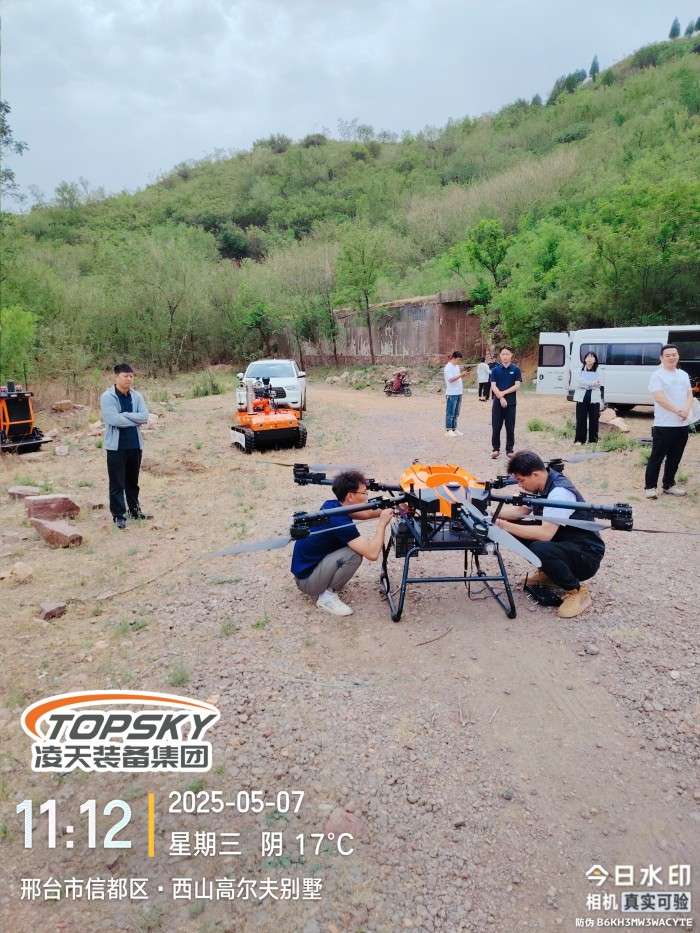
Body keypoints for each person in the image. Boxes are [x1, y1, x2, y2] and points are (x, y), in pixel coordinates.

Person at [494, 450, 605, 618]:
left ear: (535, 474)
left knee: (539, 547)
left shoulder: (559, 492)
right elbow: (520, 512)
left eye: (521, 480)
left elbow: (545, 534)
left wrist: (503, 525)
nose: (520, 485)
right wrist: (491, 515)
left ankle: (576, 591)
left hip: (586, 556)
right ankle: (551, 573)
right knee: (516, 531)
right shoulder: (540, 484)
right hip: (566, 542)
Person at [291, 470, 394, 616]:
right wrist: (382, 523)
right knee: (354, 554)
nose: (367, 496)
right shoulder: (338, 521)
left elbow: (366, 513)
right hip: (308, 582)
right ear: (350, 496)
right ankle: (327, 597)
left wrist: (394, 507)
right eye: (364, 493)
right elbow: (372, 554)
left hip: (306, 573)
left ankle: (327, 583)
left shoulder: (333, 505)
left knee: (351, 549)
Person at [100, 364, 151, 529]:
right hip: (116, 447)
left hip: (135, 445)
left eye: (131, 376)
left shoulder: (136, 396)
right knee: (117, 483)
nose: (129, 379)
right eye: (125, 376)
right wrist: (134, 419)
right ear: (117, 377)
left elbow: (144, 417)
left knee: (132, 482)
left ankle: (134, 511)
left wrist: (125, 415)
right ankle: (119, 516)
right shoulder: (107, 397)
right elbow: (113, 420)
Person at [644, 344, 693, 499]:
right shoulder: (657, 375)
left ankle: (669, 485)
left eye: (674, 354)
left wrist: (686, 410)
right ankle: (650, 487)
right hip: (664, 424)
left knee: (675, 457)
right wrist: (678, 410)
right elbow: (659, 398)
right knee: (657, 457)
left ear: (678, 356)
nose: (672, 357)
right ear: (661, 358)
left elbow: (689, 394)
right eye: (668, 355)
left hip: (682, 424)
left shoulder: (683, 374)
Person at [490, 346, 522, 459]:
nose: (505, 356)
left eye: (507, 354)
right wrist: (501, 397)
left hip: (511, 403)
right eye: (503, 354)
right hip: (497, 403)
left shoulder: (516, 369)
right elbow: (493, 386)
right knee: (496, 426)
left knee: (510, 427)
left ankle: (510, 450)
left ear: (511, 355)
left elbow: (517, 385)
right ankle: (495, 449)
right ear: (500, 356)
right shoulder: (495, 370)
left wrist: (503, 393)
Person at [573, 352, 603, 444]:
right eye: (588, 357)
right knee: (581, 418)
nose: (590, 358)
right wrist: (591, 383)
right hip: (582, 396)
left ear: (595, 360)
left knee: (594, 418)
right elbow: (578, 382)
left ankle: (593, 440)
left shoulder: (599, 370)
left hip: (594, 397)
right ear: (585, 359)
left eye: (592, 357)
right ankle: (580, 440)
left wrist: (587, 384)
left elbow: (599, 383)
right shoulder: (580, 369)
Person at [443, 350, 466, 437]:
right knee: (450, 412)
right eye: (458, 359)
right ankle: (448, 429)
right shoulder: (448, 367)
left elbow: (457, 378)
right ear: (454, 358)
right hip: (451, 393)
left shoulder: (456, 367)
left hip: (459, 392)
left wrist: (462, 375)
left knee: (456, 413)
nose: (459, 361)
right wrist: (461, 375)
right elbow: (450, 379)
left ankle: (454, 428)